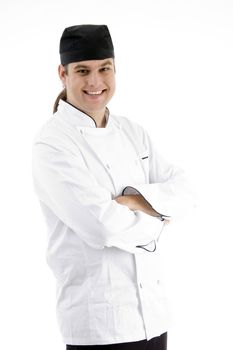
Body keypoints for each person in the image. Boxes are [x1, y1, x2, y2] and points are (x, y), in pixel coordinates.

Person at [32, 25, 192, 350]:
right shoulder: (53, 143)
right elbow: (101, 227)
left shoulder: (133, 132)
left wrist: (134, 202)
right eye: (83, 71)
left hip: (154, 318)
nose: (95, 82)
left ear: (115, 69)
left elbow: (187, 193)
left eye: (104, 68)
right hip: (99, 325)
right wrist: (160, 217)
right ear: (63, 74)